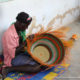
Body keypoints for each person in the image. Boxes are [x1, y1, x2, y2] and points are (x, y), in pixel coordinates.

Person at [2, 12, 47, 79]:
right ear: (19, 23)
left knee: (45, 61)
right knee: (36, 67)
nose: (27, 28)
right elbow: (13, 54)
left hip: (21, 53)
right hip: (12, 58)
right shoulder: (9, 34)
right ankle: (9, 69)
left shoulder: (19, 28)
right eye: (26, 26)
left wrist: (30, 40)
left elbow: (22, 44)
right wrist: (25, 42)